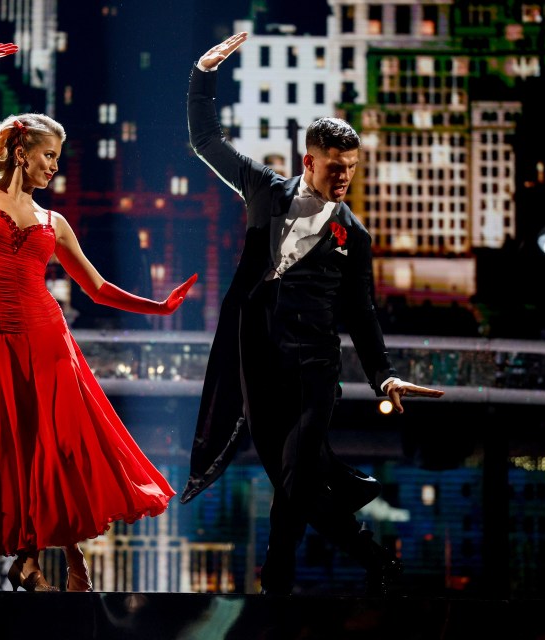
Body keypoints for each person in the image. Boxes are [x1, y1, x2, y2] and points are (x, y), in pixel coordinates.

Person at [0, 41, 198, 592]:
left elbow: (97, 289)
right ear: (22, 151)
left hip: (48, 340)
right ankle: (41, 561)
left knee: (54, 448)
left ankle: (52, 560)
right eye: (49, 156)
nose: (55, 166)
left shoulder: (54, 222)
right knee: (15, 448)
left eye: (58, 158)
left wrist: (159, 307)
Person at [180, 32, 445, 596]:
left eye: (351, 167)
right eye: (333, 167)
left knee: (298, 474)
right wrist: (204, 72)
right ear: (309, 161)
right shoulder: (264, 189)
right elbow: (206, 139)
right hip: (260, 367)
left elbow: (362, 313)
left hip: (314, 373)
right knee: (292, 482)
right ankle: (373, 557)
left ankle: (275, 581)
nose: (344, 176)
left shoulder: (356, 235)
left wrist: (383, 374)